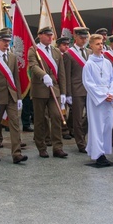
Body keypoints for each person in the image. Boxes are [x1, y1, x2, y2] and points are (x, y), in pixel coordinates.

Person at [0, 30, 27, 164]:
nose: (6, 44)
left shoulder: (12, 57)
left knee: (15, 124)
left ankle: (17, 153)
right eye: (4, 41)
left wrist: (19, 97)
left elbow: (16, 79)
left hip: (12, 96)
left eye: (8, 41)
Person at [28, 26, 68, 159]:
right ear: (40, 35)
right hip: (40, 89)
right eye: (47, 35)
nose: (50, 37)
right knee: (40, 120)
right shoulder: (33, 50)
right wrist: (44, 75)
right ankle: (42, 147)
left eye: (51, 35)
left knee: (56, 116)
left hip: (54, 89)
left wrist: (63, 92)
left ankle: (58, 147)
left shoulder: (56, 52)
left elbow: (61, 73)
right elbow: (33, 66)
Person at [82, 34, 113, 166]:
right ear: (91, 46)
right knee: (97, 126)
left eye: (101, 43)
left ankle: (103, 150)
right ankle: (98, 154)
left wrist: (112, 94)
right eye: (97, 44)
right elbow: (88, 83)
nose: (100, 46)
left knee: (108, 125)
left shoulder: (107, 63)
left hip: (108, 99)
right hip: (96, 100)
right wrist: (103, 95)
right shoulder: (89, 65)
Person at [63, 27, 91, 154]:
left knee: (90, 116)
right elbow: (67, 75)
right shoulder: (69, 54)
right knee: (78, 118)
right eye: (81, 38)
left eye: (86, 38)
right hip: (76, 90)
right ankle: (81, 143)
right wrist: (68, 93)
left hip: (89, 89)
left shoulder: (89, 52)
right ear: (75, 37)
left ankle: (81, 134)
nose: (84, 40)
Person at [56, 36, 72, 139]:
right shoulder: (57, 56)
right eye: (64, 45)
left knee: (68, 108)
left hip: (68, 85)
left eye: (67, 44)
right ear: (58, 46)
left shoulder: (68, 56)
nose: (66, 46)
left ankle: (68, 128)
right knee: (60, 109)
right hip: (58, 85)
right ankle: (63, 130)